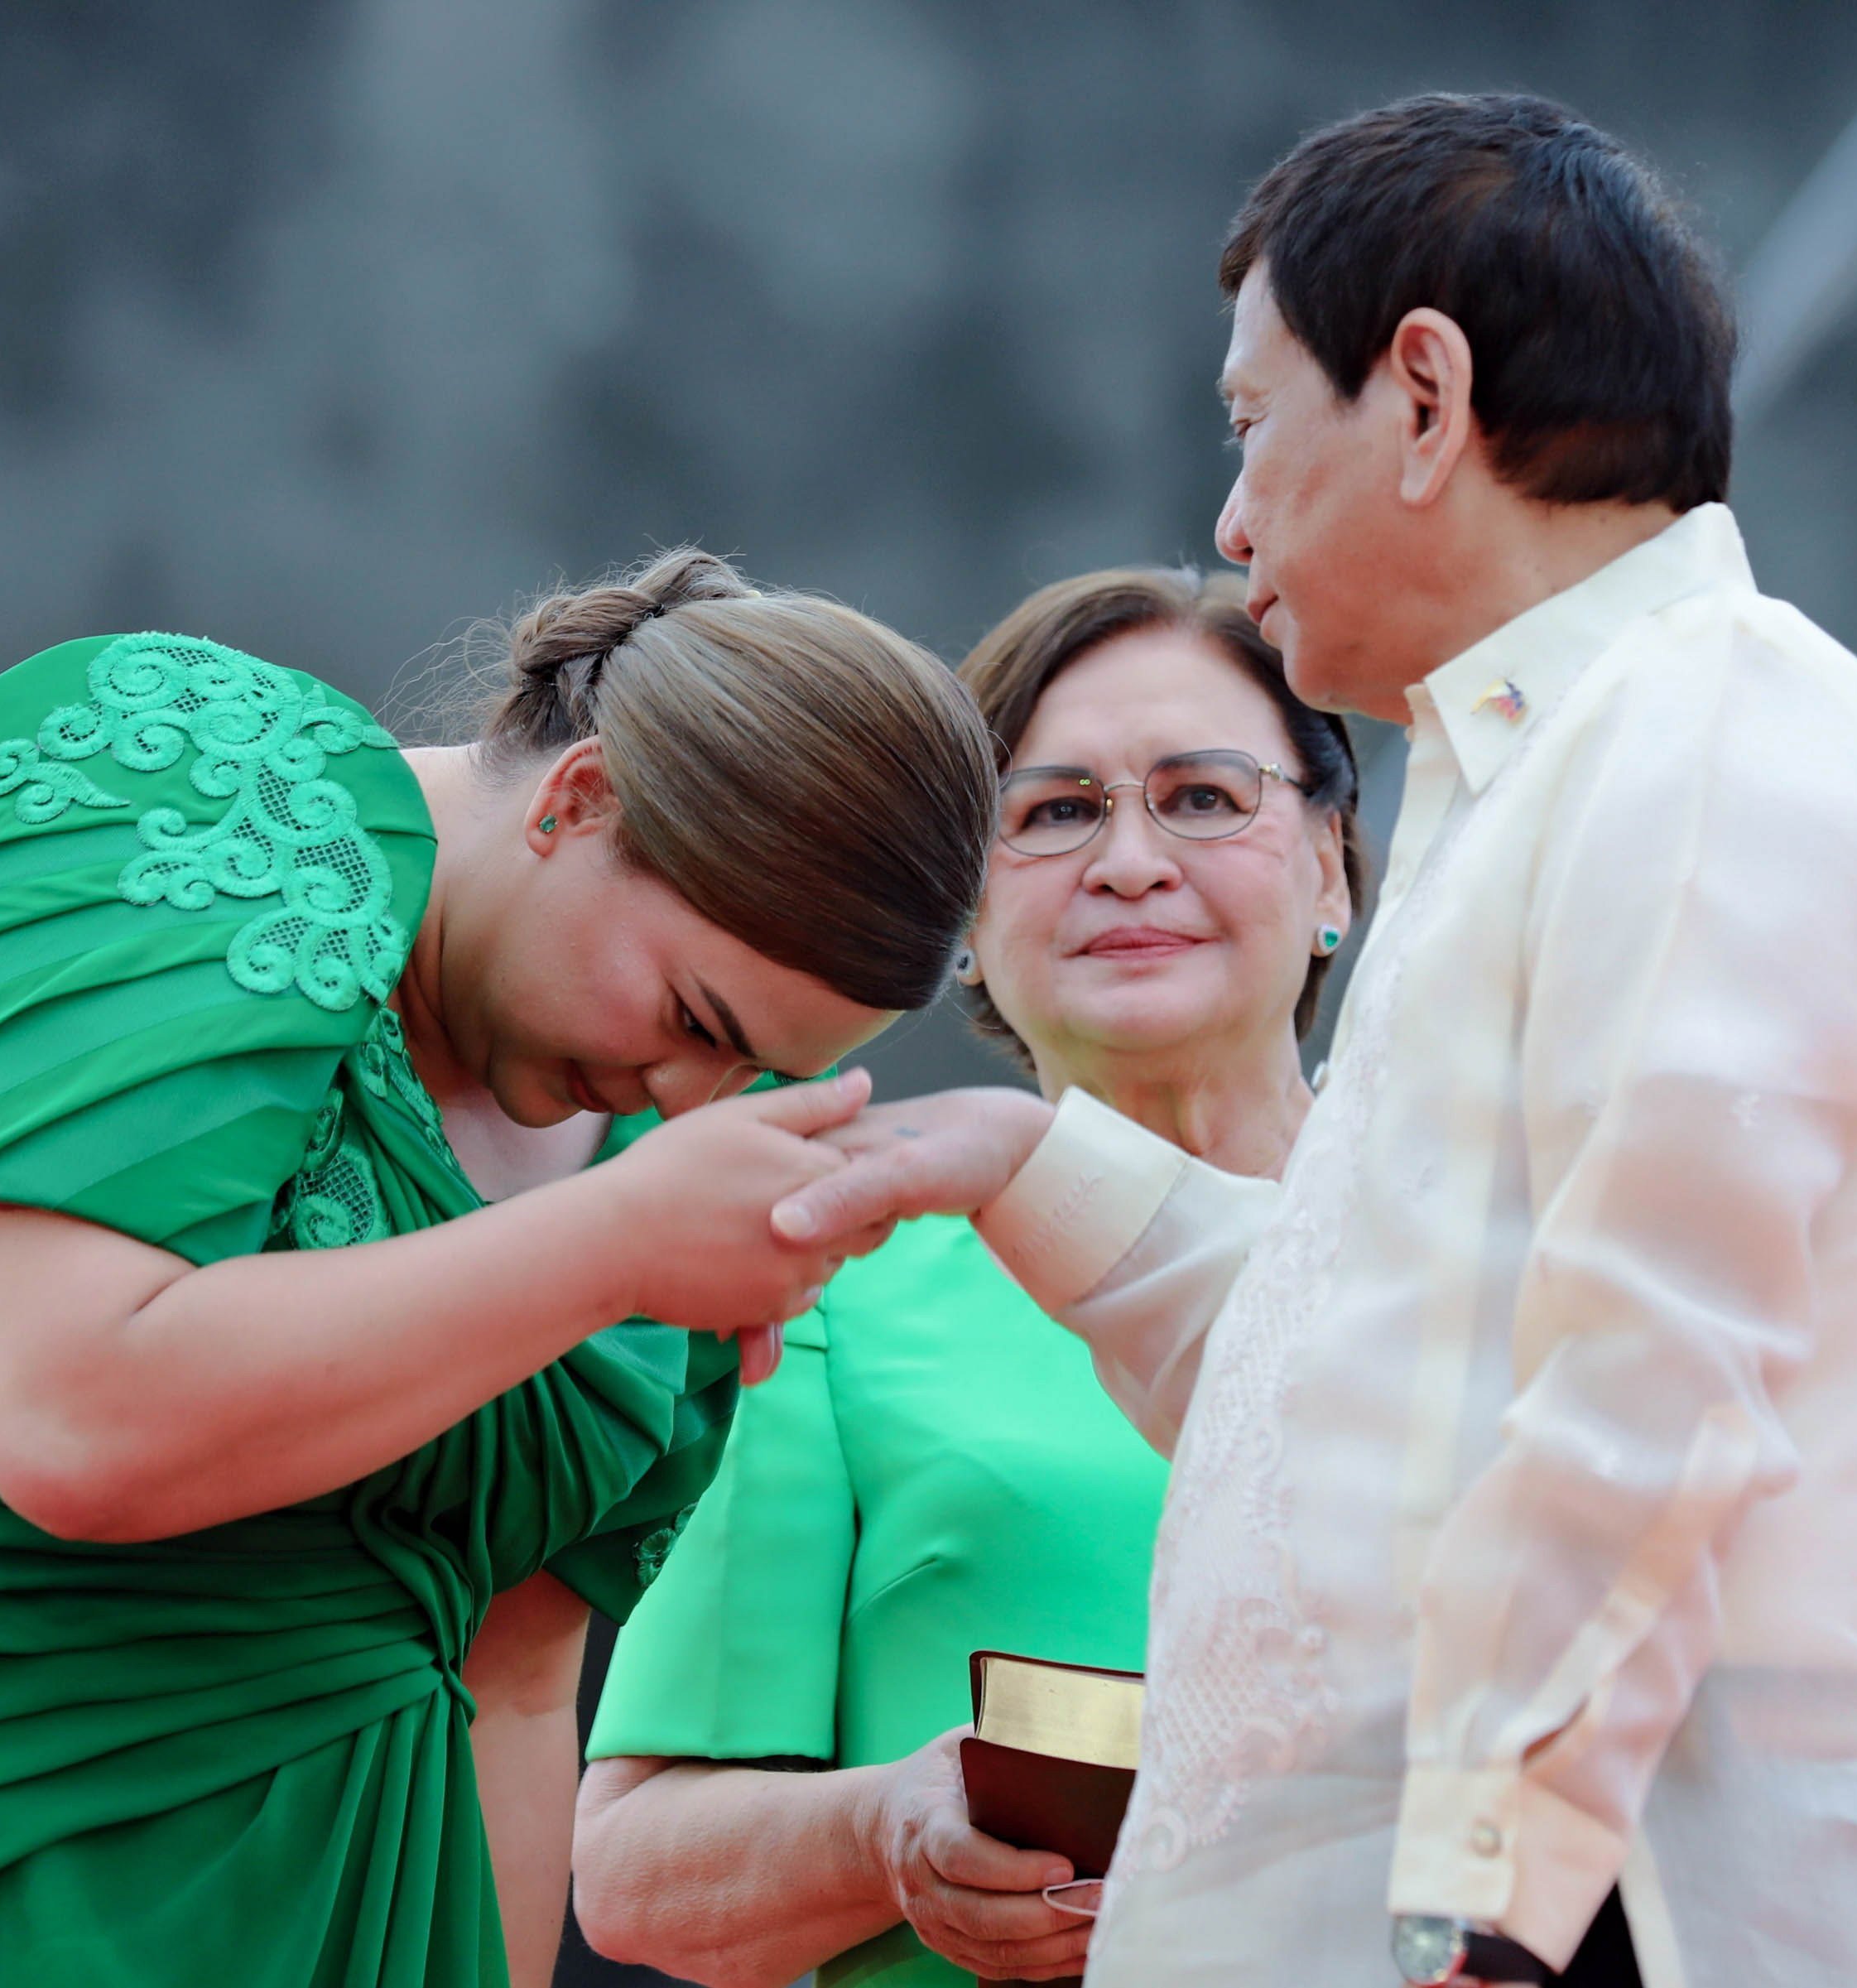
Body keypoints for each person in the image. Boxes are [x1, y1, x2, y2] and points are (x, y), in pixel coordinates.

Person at [772, 94, 1857, 1988]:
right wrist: (1016, 1161)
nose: (1230, 513)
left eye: (1255, 421)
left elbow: (1656, 1375)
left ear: (1422, 396)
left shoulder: (1714, 728)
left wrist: (1484, 1915)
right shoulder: (1529, 776)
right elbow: (1348, 1404)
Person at [0, 549, 997, 1988]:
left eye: (764, 1070)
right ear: (584, 800)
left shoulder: (661, 1164)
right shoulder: (207, 785)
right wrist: (615, 1243)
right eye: (697, 1015)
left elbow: (514, 1695)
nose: (697, 1091)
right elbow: (79, 1420)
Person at [569, 567, 1369, 1988]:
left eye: (1202, 796)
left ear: (1336, 869)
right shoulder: (830, 1289)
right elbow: (633, 1871)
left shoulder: (1481, 1248)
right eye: (1055, 812)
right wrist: (887, 1827)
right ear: (969, 924)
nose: (1129, 860)